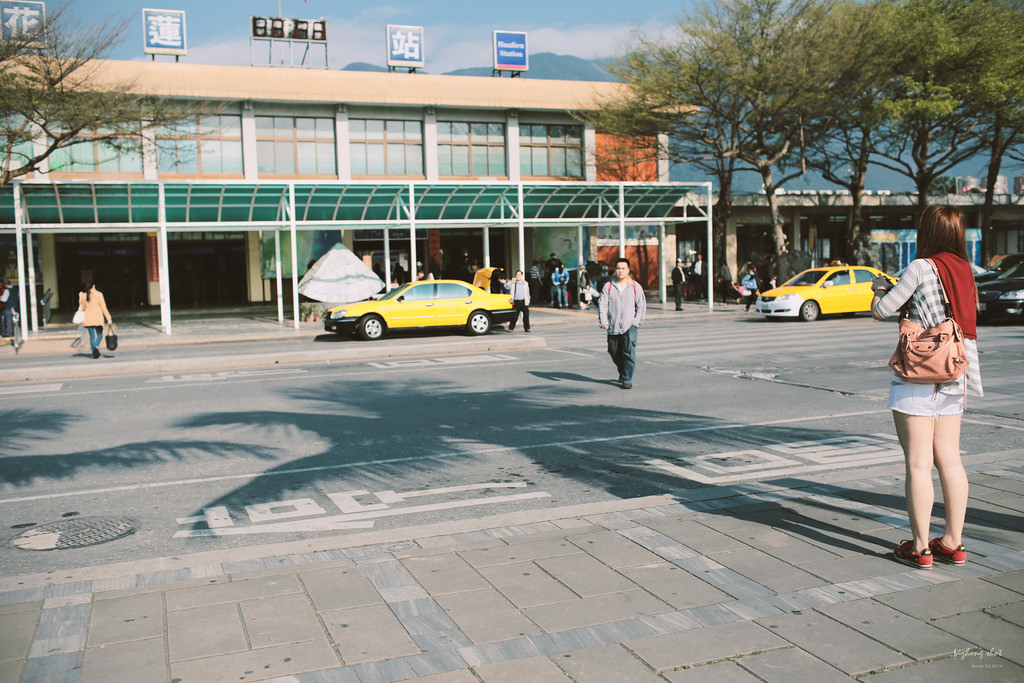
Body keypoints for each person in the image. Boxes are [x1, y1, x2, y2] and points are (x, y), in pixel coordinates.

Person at [871, 205, 982, 570]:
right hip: (953, 373)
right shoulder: (965, 270)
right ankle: (953, 542)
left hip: (916, 376)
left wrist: (879, 290)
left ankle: (920, 548)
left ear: (929, 232)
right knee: (950, 459)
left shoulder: (921, 266)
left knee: (918, 464)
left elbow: (884, 310)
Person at [598, 257, 647, 389]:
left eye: (623, 268)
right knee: (613, 350)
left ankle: (627, 378)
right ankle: (623, 370)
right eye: (618, 268)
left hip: (629, 325)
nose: (620, 271)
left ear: (628, 270)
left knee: (628, 352)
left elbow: (641, 305)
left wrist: (636, 322)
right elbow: (602, 304)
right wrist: (604, 321)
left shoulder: (635, 287)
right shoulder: (608, 286)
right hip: (612, 325)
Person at [79, 280, 113, 359]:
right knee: (100, 334)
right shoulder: (99, 294)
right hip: (98, 318)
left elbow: (83, 307)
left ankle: (94, 352)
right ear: (93, 286)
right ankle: (96, 347)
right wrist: (109, 318)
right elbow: (104, 307)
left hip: (88, 318)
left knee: (92, 336)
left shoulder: (84, 296)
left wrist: (80, 298)